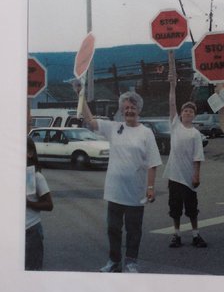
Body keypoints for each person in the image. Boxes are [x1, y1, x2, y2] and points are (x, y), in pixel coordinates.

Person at [81, 90, 162, 273]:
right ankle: (114, 261)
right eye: (126, 108)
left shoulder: (146, 133)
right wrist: (81, 96)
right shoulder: (114, 128)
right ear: (121, 110)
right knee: (113, 229)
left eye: (132, 107)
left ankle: (131, 262)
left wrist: (150, 187)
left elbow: (153, 163)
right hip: (115, 192)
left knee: (134, 230)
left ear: (138, 109)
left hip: (136, 193)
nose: (129, 111)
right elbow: (90, 121)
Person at [164, 51, 207, 248]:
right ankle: (176, 235)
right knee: (175, 208)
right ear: (180, 114)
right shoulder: (175, 126)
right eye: (185, 110)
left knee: (192, 208)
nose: (187, 113)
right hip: (174, 176)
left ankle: (196, 235)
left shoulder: (196, 133)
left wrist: (196, 175)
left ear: (194, 115)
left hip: (189, 177)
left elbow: (198, 157)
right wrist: (172, 85)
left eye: (190, 111)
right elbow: (172, 101)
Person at [25, 137, 53, 271]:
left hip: (31, 229)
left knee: (32, 269)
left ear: (30, 153)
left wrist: (28, 203)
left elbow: (49, 205)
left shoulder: (36, 177)